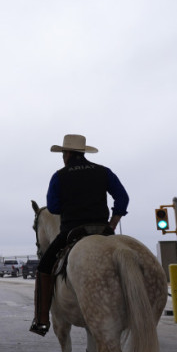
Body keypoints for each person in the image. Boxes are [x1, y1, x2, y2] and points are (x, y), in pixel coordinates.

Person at [29, 134, 129, 336]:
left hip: (72, 231)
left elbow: (53, 207)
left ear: (67, 153)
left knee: (44, 268)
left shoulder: (59, 176)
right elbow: (122, 197)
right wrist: (113, 223)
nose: (62, 157)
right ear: (82, 152)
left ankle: (41, 319)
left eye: (62, 153)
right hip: (103, 230)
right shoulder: (103, 171)